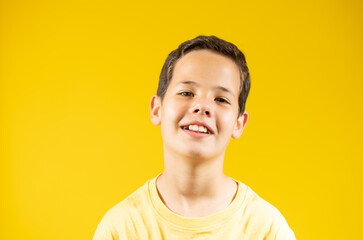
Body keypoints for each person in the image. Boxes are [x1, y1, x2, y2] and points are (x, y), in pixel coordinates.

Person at [92, 35, 296, 239]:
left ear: (238, 123)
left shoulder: (267, 229)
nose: (203, 106)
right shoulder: (121, 227)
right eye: (187, 93)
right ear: (157, 109)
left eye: (221, 99)